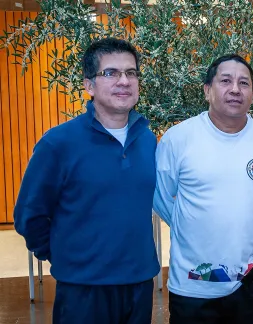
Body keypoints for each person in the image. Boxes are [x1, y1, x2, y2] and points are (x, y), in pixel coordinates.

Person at [14, 38, 160, 324]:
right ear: (89, 85)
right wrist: (65, 256)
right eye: (111, 73)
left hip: (140, 283)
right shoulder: (58, 143)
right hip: (83, 289)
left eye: (131, 73)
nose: (124, 81)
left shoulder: (147, 139)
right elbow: (28, 216)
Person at [153, 54, 253, 323]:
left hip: (246, 283)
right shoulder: (178, 139)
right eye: (225, 81)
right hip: (192, 285)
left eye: (244, 83)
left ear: (252, 93)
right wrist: (188, 224)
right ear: (207, 91)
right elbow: (160, 195)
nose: (235, 89)